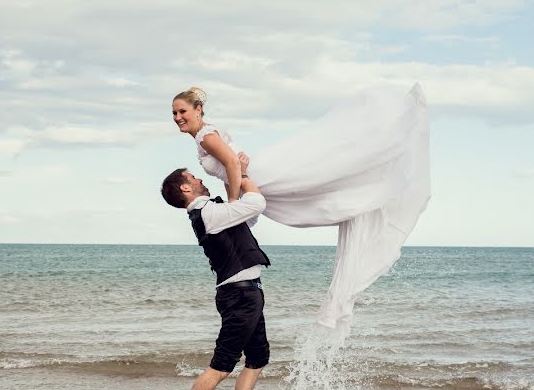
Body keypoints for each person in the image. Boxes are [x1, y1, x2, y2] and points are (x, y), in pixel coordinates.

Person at [173, 85, 430, 336]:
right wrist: (238, 192)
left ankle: (368, 179)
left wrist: (233, 203)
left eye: (182, 111)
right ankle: (361, 188)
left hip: (254, 177)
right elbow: (229, 165)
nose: (178, 118)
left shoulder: (205, 136)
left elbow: (230, 162)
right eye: (174, 113)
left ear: (198, 110)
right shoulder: (203, 137)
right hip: (246, 181)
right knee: (317, 193)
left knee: (317, 185)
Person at [160, 164, 270, 390]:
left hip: (249, 292)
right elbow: (256, 202)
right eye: (194, 178)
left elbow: (246, 216)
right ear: (186, 187)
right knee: (222, 365)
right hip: (239, 296)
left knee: (258, 358)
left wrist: (234, 176)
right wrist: (242, 176)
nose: (200, 179)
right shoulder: (206, 213)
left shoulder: (214, 212)